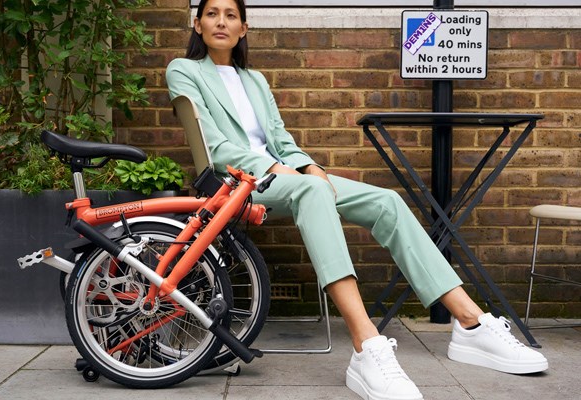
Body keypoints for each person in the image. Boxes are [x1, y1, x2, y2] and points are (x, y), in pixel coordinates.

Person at [166, 1, 548, 399]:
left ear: (244, 27)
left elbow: (280, 139)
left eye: (230, 14)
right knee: (313, 190)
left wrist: (307, 166)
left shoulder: (256, 80)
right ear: (198, 23)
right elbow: (214, 144)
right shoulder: (184, 70)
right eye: (212, 13)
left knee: (387, 201)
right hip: (234, 183)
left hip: (288, 178)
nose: (221, 21)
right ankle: (367, 346)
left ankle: (471, 324)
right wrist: (281, 172)